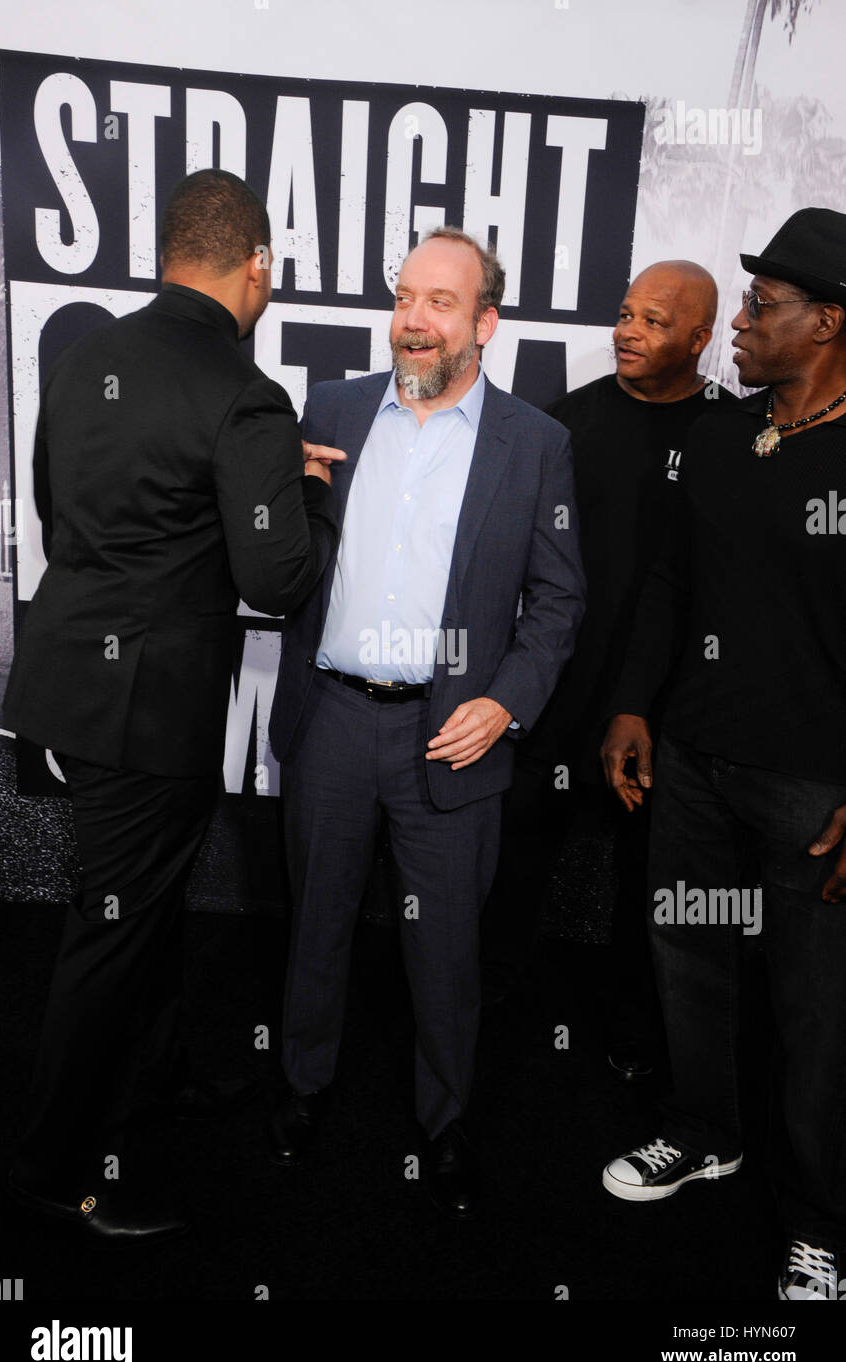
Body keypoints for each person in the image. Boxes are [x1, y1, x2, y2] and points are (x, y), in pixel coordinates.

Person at [2, 169, 339, 1245]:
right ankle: (62, 1167)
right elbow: (276, 578)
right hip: (149, 719)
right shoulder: (245, 391)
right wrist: (305, 494)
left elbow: (62, 513)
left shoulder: (91, 349)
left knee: (134, 918)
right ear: (257, 267)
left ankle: (157, 1082)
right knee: (110, 933)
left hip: (67, 687)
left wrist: (243, 474)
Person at [267, 226, 586, 1218]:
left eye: (439, 301)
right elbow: (292, 560)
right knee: (314, 925)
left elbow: (558, 601)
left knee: (445, 951)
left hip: (452, 736)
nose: (412, 317)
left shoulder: (535, 445)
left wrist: (505, 702)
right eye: (404, 296)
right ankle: (300, 1090)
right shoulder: (334, 410)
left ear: (485, 323)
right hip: (331, 720)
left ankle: (443, 1122)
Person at [600, 207, 846, 1301]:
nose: (736, 323)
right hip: (692, 760)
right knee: (688, 961)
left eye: (760, 305)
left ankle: (820, 1222)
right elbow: (665, 583)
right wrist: (631, 707)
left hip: (815, 789)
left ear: (828, 321)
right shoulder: (717, 433)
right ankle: (703, 1130)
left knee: (816, 1007)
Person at [480, 262, 734, 1084]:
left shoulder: (730, 439)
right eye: (624, 314)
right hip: (558, 696)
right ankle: (481, 1017)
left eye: (654, 322)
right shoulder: (569, 426)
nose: (628, 331)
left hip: (665, 709)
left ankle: (636, 1039)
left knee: (646, 890)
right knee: (513, 869)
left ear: (699, 341)